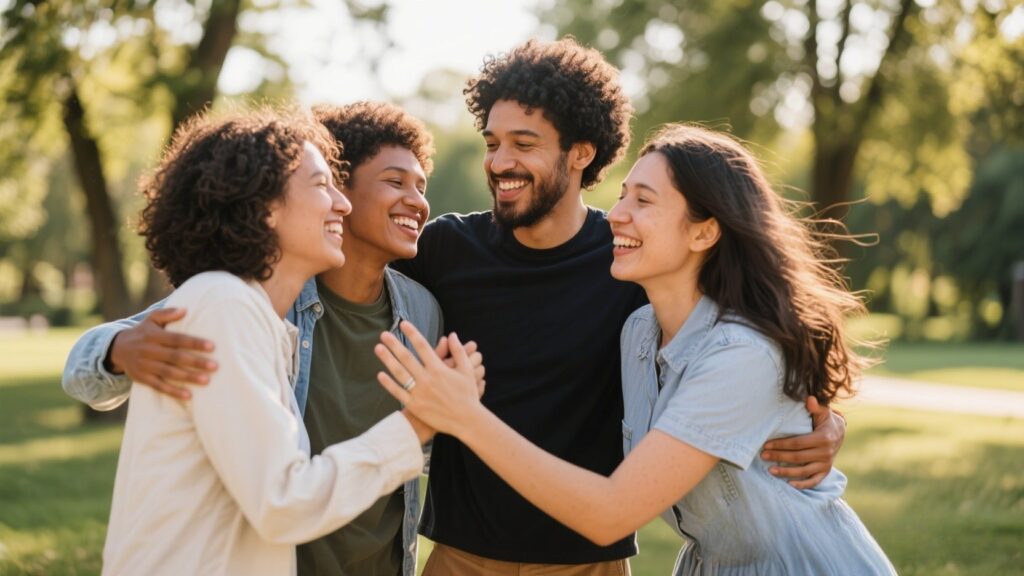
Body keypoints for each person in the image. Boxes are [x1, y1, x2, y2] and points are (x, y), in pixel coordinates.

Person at [386, 38, 847, 575]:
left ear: (581, 153)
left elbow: (755, 332)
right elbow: (352, 296)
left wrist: (825, 420)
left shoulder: (635, 263)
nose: (500, 161)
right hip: (461, 558)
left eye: (523, 143)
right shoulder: (446, 248)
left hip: (591, 562)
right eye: (492, 143)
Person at [62, 102, 478, 576]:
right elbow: (284, 499)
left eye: (421, 186)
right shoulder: (229, 305)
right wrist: (119, 351)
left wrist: (450, 413)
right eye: (393, 181)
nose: (418, 201)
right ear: (266, 207)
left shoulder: (410, 310)